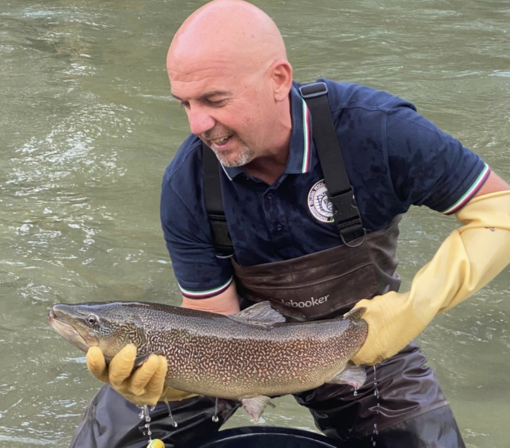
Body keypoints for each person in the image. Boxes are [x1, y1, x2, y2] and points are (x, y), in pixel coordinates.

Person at [70, 1, 510, 447]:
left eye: (214, 100)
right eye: (185, 103)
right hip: (233, 350)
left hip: (362, 338)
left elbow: (499, 209)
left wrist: (415, 307)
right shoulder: (186, 183)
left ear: (278, 80)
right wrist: (173, 381)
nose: (198, 123)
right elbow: (212, 323)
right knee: (111, 438)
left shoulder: (378, 131)